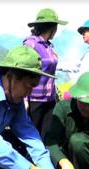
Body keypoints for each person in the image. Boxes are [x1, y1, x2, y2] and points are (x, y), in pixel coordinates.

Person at [24, 8, 67, 137]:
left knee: (47, 135)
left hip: (49, 98)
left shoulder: (48, 46)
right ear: (52, 27)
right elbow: (25, 70)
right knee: (33, 134)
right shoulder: (31, 44)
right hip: (35, 99)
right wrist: (25, 100)